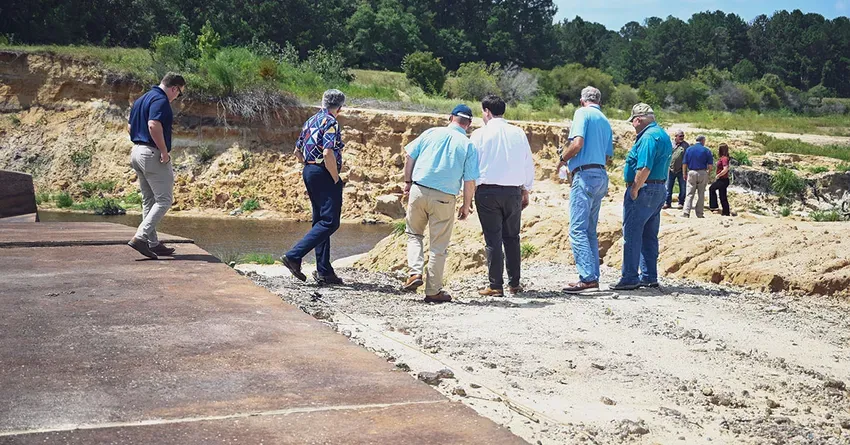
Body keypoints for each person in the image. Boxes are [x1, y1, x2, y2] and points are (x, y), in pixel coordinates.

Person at [401, 104, 480, 303]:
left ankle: (415, 272)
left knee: (414, 234)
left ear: (450, 118)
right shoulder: (468, 145)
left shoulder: (431, 133)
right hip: (444, 197)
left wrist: (408, 183)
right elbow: (469, 180)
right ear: (469, 124)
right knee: (438, 246)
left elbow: (409, 156)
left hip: (419, 190)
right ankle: (433, 290)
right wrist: (466, 205)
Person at [470, 95, 535, 297]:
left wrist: (467, 194)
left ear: (487, 111)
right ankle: (514, 283)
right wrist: (526, 189)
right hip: (513, 191)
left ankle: (495, 285)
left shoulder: (479, 134)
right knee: (512, 237)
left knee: (493, 239)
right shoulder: (518, 132)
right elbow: (527, 162)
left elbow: (471, 165)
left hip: (487, 191)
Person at [281, 89, 347, 285]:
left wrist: (309, 166)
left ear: (323, 102)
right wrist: (335, 177)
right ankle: (294, 256)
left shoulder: (311, 121)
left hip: (309, 171)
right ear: (340, 108)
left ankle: (324, 270)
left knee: (320, 220)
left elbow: (297, 151)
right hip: (323, 172)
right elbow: (328, 153)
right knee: (330, 222)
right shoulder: (331, 122)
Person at [557, 86, 613, 293]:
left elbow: (577, 143)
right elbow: (607, 155)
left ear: (582, 101)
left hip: (585, 175)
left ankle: (588, 278)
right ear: (600, 101)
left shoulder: (582, 113)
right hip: (600, 174)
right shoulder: (605, 120)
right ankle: (592, 276)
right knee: (590, 229)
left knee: (577, 229)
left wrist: (563, 159)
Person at [611, 103, 672, 291]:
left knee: (632, 234)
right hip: (659, 188)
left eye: (633, 121)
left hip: (644, 189)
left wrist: (635, 189)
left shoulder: (647, 137)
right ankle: (649, 276)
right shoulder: (662, 134)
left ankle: (630, 277)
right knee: (649, 235)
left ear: (638, 120)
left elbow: (644, 167)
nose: (632, 125)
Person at [127, 72, 186, 259]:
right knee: (164, 200)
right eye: (179, 93)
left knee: (149, 200)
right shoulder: (161, 100)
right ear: (174, 88)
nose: (177, 97)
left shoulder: (141, 100)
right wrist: (163, 151)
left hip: (137, 151)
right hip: (152, 153)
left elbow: (130, 127)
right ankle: (140, 237)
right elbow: (153, 125)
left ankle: (152, 243)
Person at [681, 135, 714, 218]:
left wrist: (684, 173)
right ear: (702, 141)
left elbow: (684, 163)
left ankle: (686, 212)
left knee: (689, 193)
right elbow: (710, 165)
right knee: (701, 194)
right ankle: (699, 213)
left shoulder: (689, 149)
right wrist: (708, 173)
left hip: (692, 172)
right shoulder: (706, 150)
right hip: (702, 172)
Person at [663, 130, 689, 209]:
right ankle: (667, 202)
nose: (682, 137)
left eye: (683, 136)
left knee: (683, 187)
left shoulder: (686, 145)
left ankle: (681, 202)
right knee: (668, 187)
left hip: (681, 170)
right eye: (680, 136)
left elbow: (687, 158)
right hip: (670, 169)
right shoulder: (670, 144)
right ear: (676, 136)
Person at [709, 143, 731, 216]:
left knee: (712, 188)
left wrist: (718, 175)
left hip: (723, 179)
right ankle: (726, 212)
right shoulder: (723, 158)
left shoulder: (724, 159)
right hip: (723, 179)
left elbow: (725, 169)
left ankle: (714, 206)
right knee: (722, 195)